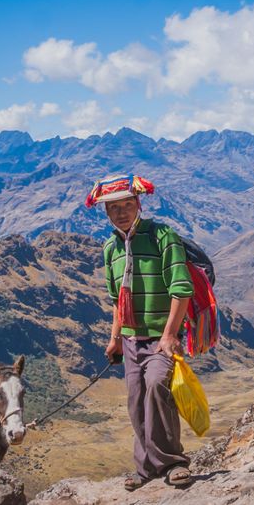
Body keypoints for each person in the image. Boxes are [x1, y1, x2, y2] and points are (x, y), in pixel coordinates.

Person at [84, 174, 194, 490]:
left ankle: (173, 463)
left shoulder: (162, 236)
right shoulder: (110, 248)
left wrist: (170, 335)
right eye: (113, 208)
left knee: (158, 387)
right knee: (136, 401)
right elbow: (117, 299)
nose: (121, 213)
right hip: (131, 339)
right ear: (106, 213)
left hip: (162, 336)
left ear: (138, 204)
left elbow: (181, 289)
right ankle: (146, 469)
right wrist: (115, 339)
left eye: (127, 205)